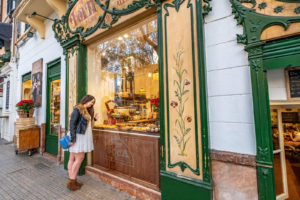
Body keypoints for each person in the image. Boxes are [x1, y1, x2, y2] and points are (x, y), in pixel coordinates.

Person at [67, 95, 98, 191]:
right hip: (78, 137)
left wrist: (95, 119)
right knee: (80, 158)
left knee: (72, 158)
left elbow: (86, 124)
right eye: (91, 102)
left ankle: (72, 180)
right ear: (86, 100)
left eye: (93, 103)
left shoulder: (85, 110)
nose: (91, 104)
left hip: (81, 136)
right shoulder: (78, 109)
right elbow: (72, 124)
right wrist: (73, 139)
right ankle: (72, 182)